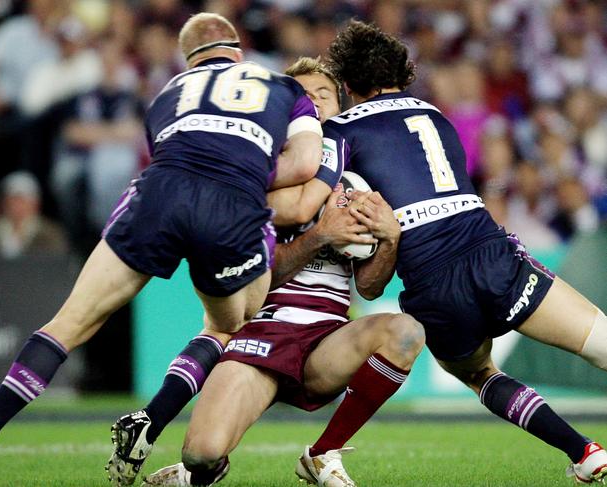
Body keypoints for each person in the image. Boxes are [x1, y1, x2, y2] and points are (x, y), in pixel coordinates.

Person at [0, 13, 323, 487]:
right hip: (231, 203)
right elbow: (306, 162)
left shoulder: (167, 92)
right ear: (237, 50)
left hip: (159, 193)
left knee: (70, 321)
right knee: (228, 326)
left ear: (188, 57)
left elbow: (164, 153)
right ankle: (149, 421)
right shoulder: (283, 87)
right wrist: (244, 166)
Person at [317, 20, 607, 484]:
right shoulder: (436, 115)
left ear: (348, 84)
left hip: (432, 280)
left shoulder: (338, 130)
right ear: (401, 72)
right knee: (602, 344)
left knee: (479, 374)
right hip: (489, 253)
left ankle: (584, 451)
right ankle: (584, 452)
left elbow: (324, 198)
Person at [124, 57, 424, 487]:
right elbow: (254, 279)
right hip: (260, 334)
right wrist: (320, 236)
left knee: (407, 332)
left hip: (326, 341)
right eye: (302, 97)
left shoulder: (355, 184)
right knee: (201, 454)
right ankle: (195, 474)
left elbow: (371, 288)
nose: (315, 105)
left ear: (339, 108)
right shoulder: (254, 176)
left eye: (323, 95)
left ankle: (321, 455)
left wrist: (390, 239)